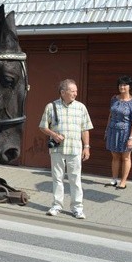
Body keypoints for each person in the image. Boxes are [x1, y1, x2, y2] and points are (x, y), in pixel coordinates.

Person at [39, 79, 93, 219]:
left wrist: (86, 147)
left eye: (76, 91)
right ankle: (57, 205)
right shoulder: (51, 107)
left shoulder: (81, 107)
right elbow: (43, 126)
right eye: (72, 91)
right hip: (57, 149)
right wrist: (54, 135)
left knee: (75, 179)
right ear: (63, 92)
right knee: (57, 178)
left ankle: (77, 208)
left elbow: (85, 129)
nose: (76, 93)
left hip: (75, 149)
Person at [104, 75, 132, 189]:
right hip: (113, 131)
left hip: (125, 132)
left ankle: (123, 182)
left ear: (129, 87)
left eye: (124, 85)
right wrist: (107, 130)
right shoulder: (114, 98)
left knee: (126, 157)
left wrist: (131, 138)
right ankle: (114, 180)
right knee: (115, 156)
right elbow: (110, 115)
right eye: (120, 84)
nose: (122, 87)